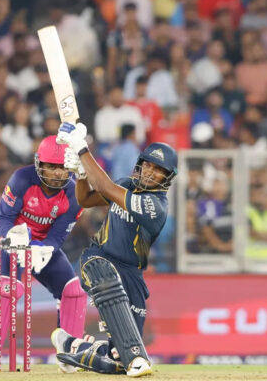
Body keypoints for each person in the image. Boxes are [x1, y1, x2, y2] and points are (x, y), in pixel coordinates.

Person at [53, 122, 177, 377]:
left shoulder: (156, 206)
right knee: (105, 276)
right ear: (140, 164)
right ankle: (136, 359)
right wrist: (81, 175)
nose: (151, 172)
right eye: (149, 165)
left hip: (132, 275)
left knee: (118, 356)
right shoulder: (126, 184)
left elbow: (106, 187)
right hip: (98, 259)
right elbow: (85, 199)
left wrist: (82, 150)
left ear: (167, 178)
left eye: (159, 170)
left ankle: (71, 344)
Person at [0, 136, 87, 372]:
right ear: (39, 164)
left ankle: (69, 353)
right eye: (51, 166)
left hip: (41, 242)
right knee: (8, 287)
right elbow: (4, 217)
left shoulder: (75, 194)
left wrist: (42, 249)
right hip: (6, 234)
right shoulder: (22, 178)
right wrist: (13, 236)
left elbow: (57, 235)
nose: (58, 173)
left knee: (73, 290)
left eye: (63, 167)